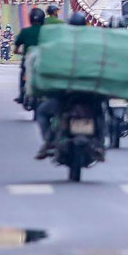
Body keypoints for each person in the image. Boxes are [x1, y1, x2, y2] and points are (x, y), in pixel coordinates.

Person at [34, 11, 89, 158]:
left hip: (65, 93)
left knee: (42, 112)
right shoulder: (93, 43)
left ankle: (49, 142)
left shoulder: (61, 43)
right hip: (88, 94)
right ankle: (100, 144)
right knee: (100, 111)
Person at [13, 7, 46, 103]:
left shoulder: (25, 31)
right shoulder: (46, 32)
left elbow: (15, 50)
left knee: (23, 75)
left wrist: (23, 53)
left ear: (30, 19)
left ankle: (21, 95)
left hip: (27, 61)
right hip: (43, 61)